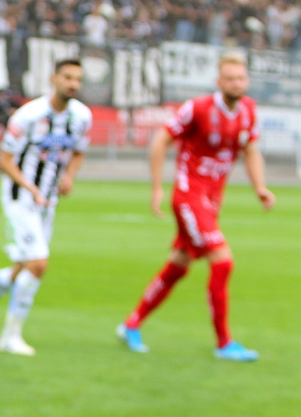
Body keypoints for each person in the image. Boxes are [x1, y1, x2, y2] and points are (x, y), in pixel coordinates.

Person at [117, 53, 275, 361]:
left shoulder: (248, 110)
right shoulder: (198, 108)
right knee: (223, 261)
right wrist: (156, 188)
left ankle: (131, 323)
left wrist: (260, 187)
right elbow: (161, 139)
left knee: (178, 264)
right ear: (219, 82)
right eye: (230, 78)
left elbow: (251, 150)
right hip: (189, 196)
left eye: (241, 78)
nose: (236, 83)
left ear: (247, 80)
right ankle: (224, 343)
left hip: (212, 201)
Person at [0, 59, 92, 355]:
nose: (73, 84)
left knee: (22, 269)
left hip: (47, 202)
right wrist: (31, 188)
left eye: (78, 79)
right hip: (20, 198)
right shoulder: (28, 116)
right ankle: (9, 337)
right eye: (67, 77)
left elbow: (78, 151)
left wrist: (68, 176)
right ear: (54, 78)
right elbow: (4, 160)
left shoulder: (81, 116)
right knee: (38, 264)